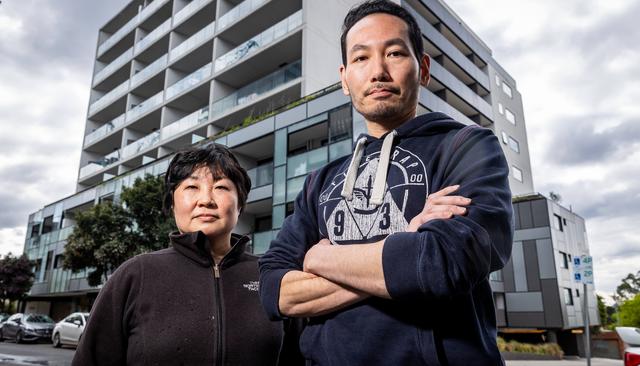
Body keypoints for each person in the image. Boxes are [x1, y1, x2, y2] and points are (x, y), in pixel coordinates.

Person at [259, 0, 513, 365]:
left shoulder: (467, 146)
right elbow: (274, 291)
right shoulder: (320, 181)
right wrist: (407, 241)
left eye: (394, 53)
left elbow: (444, 264)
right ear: (345, 79)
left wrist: (322, 257)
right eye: (361, 58)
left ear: (423, 69)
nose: (377, 71)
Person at [73, 144, 302, 366]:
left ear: (240, 205)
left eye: (221, 187)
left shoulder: (272, 276)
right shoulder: (135, 275)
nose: (206, 200)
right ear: (172, 203)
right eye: (192, 187)